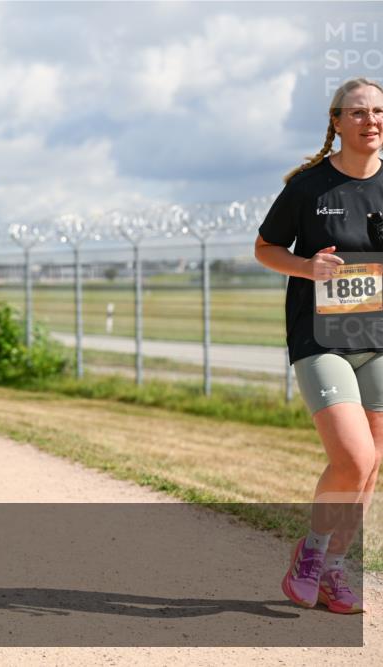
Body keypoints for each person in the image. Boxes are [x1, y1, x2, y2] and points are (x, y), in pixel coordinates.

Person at [255, 77, 383, 614]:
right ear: (336, 122)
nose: (370, 120)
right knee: (351, 457)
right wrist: (308, 267)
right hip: (321, 338)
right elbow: (264, 248)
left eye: (378, 111)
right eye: (357, 112)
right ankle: (310, 552)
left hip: (378, 339)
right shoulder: (309, 187)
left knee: (371, 464)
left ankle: (334, 568)